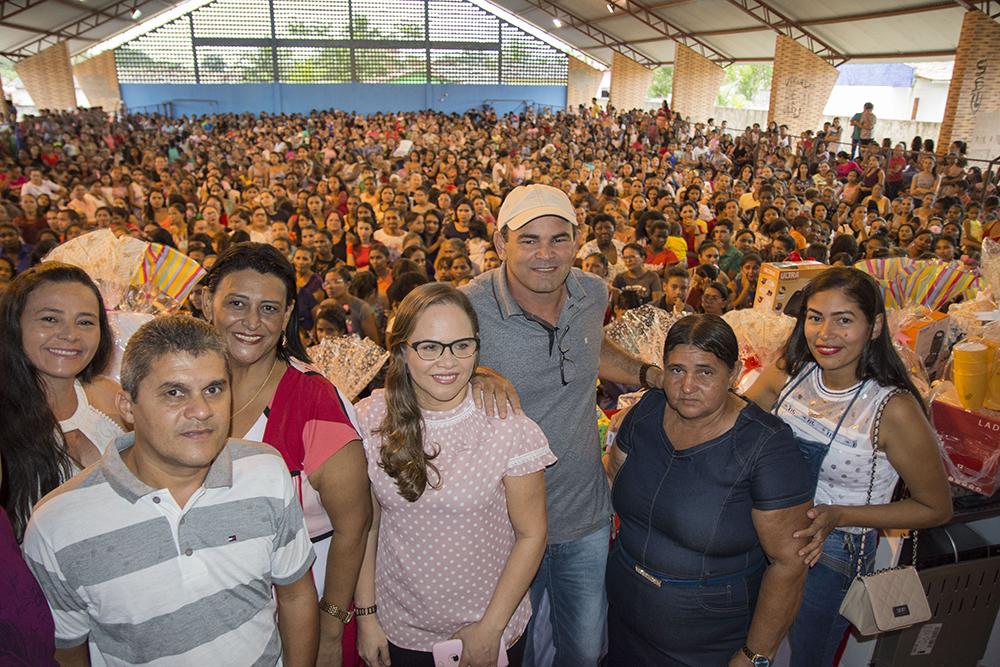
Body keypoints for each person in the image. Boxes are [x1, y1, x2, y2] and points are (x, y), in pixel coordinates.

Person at [22, 315, 320, 666]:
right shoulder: (57, 525)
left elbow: (296, 594)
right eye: (174, 392)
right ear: (127, 406)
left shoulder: (265, 471)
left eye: (213, 389)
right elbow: (68, 650)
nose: (201, 411)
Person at [463, 184, 661, 667]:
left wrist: (649, 374)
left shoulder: (593, 291)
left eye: (559, 239)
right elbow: (421, 370)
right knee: (512, 649)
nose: (546, 255)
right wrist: (474, 372)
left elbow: (594, 349)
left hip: (581, 514)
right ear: (500, 241)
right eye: (529, 240)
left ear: (578, 241)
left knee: (584, 649)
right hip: (502, 523)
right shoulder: (468, 306)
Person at [745, 268, 953, 667]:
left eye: (844, 320)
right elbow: (741, 423)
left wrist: (839, 515)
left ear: (874, 327)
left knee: (807, 655)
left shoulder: (894, 410)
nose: (825, 334)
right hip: (769, 530)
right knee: (758, 646)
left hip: (835, 551)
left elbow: (936, 507)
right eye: (815, 317)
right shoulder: (790, 371)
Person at [354, 283, 554, 667]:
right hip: (400, 629)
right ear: (401, 350)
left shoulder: (506, 424)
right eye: (429, 347)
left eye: (462, 346)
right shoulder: (370, 419)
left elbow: (532, 533)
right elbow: (369, 526)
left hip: (490, 629)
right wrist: (367, 615)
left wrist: (491, 630)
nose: (447, 362)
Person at [605, 314, 812, 666]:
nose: (687, 386)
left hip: (706, 643)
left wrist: (754, 655)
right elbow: (614, 476)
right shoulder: (648, 410)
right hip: (624, 620)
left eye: (705, 372)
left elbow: (789, 562)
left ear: (733, 374)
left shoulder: (765, 445)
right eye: (676, 370)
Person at [203, 243, 371, 666]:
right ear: (207, 302)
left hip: (306, 611)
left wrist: (331, 628)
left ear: (287, 314)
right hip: (218, 616)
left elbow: (355, 523)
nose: (252, 322)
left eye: (269, 308)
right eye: (237, 304)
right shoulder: (185, 387)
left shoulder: (312, 399)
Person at [0, 263, 126, 543]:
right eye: (50, 319)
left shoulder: (110, 397)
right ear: (14, 324)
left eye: (85, 322)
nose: (70, 335)